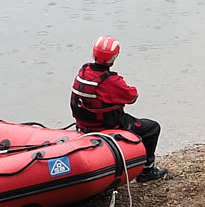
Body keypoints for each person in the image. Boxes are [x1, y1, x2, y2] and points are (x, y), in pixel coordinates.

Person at [71, 36, 168, 182]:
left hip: (83, 125)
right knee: (152, 128)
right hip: (107, 125)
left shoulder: (83, 71)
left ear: (93, 53)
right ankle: (147, 170)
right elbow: (132, 96)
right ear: (114, 57)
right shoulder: (111, 81)